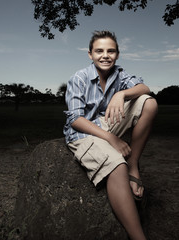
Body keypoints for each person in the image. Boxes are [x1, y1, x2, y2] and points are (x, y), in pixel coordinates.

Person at [63, 30, 158, 240]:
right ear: (90, 54)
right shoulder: (79, 78)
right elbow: (75, 120)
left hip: (107, 124)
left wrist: (121, 94)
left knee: (149, 103)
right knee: (117, 165)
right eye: (99, 51)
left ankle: (134, 163)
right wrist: (111, 139)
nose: (105, 55)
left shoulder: (119, 75)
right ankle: (138, 237)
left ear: (117, 54)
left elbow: (145, 88)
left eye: (110, 51)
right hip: (83, 132)